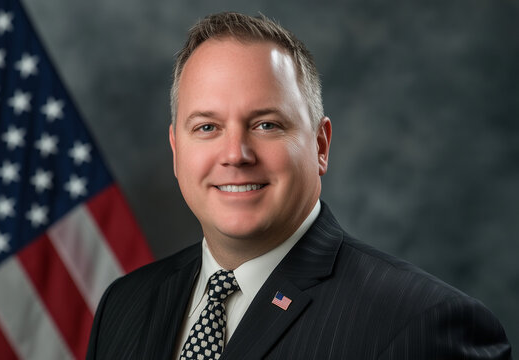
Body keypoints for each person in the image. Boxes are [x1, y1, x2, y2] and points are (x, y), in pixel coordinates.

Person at [86, 12, 512, 360]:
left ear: (321, 145)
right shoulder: (125, 305)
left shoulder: (422, 325)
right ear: (176, 150)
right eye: (207, 127)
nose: (235, 154)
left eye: (267, 124)